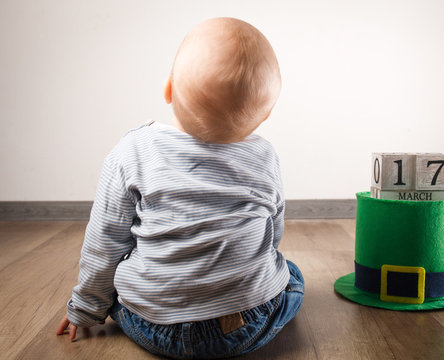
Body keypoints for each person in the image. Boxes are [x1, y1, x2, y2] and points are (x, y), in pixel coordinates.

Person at [56, 17, 304, 359]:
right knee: (290, 275)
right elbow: (272, 231)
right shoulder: (264, 155)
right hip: (246, 326)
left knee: (121, 276)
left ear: (168, 89)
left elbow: (104, 242)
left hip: (154, 326)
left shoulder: (133, 151)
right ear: (264, 115)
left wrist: (84, 308)